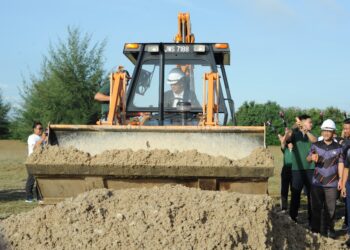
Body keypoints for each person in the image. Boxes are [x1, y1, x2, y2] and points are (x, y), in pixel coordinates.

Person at [307, 119, 343, 238]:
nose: (326, 133)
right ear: (322, 131)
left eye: (329, 131)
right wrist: (311, 157)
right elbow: (307, 158)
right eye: (324, 130)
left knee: (331, 210)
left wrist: (341, 179)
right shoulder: (315, 145)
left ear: (333, 132)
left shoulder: (339, 147)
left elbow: (341, 164)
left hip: (332, 184)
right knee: (316, 208)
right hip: (317, 183)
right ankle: (315, 231)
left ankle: (330, 230)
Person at [286, 114, 317, 224]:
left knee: (311, 195)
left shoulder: (312, 134)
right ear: (303, 123)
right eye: (310, 122)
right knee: (295, 194)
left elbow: (315, 141)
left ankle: (312, 219)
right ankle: (292, 218)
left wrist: (307, 131)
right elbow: (287, 138)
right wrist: (295, 126)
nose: (311, 124)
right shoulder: (295, 134)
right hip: (297, 170)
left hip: (310, 169)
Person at [25, 121, 47, 202]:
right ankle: (29, 197)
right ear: (34, 129)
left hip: (40, 160)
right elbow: (35, 148)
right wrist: (42, 138)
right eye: (39, 128)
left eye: (42, 128)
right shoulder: (32, 137)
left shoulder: (41, 138)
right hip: (33, 160)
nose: (41, 130)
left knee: (40, 180)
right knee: (31, 179)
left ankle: (39, 197)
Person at [278, 131, 293, 212]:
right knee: (284, 189)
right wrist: (286, 133)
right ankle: (284, 208)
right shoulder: (285, 149)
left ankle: (293, 208)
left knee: (294, 190)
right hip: (286, 170)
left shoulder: (296, 149)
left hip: (295, 171)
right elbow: (283, 143)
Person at [340, 118, 350, 245]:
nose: (345, 131)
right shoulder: (347, 145)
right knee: (348, 207)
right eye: (345, 128)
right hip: (349, 182)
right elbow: (346, 167)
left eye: (347, 128)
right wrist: (343, 185)